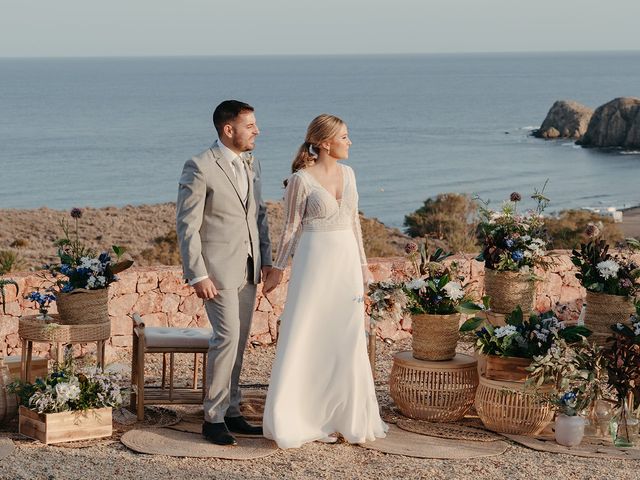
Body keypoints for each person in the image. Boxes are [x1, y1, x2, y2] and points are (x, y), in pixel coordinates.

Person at [261, 114, 388, 448]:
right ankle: (303, 417)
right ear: (325, 142)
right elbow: (290, 229)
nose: (350, 142)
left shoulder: (350, 174)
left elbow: (355, 225)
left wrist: (363, 270)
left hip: (345, 264)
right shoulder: (301, 180)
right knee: (307, 333)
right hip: (314, 266)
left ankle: (347, 417)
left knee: (346, 338)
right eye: (344, 137)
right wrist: (277, 268)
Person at [176, 100, 273, 446]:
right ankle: (213, 418)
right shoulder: (200, 166)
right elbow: (187, 226)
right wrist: (197, 274)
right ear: (228, 129)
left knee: (239, 341)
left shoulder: (252, 163)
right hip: (215, 272)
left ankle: (232, 410)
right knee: (227, 337)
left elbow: (259, 216)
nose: (257, 131)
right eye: (250, 126)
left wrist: (268, 260)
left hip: (247, 268)